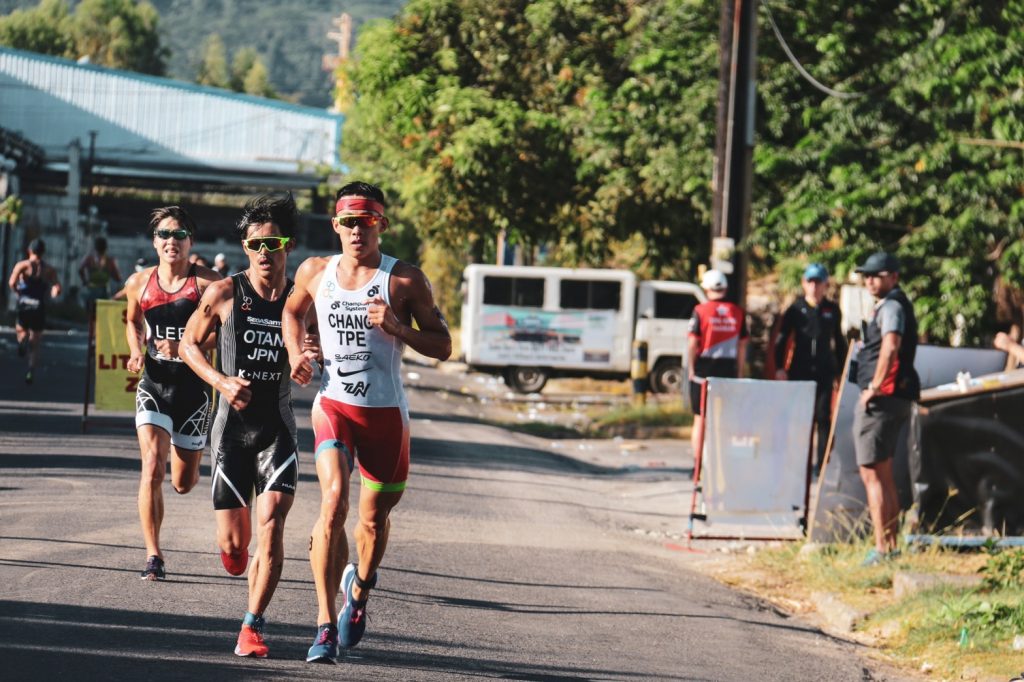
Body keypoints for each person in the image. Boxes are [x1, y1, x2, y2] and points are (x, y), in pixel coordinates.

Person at [282, 181, 452, 663]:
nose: (358, 230)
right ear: (336, 225)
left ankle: (358, 594)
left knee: (373, 523)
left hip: (386, 418)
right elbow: (292, 315)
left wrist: (398, 327)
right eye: (349, 222)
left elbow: (443, 346)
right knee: (332, 504)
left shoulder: (404, 281)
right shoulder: (316, 272)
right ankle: (322, 624)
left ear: (382, 224)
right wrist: (298, 353)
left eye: (367, 221)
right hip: (334, 406)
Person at [180, 194, 310, 657]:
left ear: (287, 246)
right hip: (230, 431)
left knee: (272, 526)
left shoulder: (300, 300)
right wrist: (220, 381)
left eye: (273, 243)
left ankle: (252, 625)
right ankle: (237, 554)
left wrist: (307, 361)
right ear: (245, 247)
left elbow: (317, 348)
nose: (264, 252)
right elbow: (188, 347)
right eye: (255, 244)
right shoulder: (224, 293)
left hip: (278, 431)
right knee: (236, 550)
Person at [124, 207, 221, 580]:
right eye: (164, 235)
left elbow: (224, 333)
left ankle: (193, 471)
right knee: (151, 465)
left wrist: (188, 345)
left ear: (190, 242)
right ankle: (154, 555)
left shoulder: (209, 284)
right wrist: (137, 350)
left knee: (183, 483)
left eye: (179, 235)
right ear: (154, 242)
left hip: (193, 393)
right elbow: (133, 320)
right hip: (154, 385)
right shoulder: (139, 282)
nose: (171, 241)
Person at [852, 251, 920, 567]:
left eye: (876, 275)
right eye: (866, 275)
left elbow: (891, 346)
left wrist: (875, 387)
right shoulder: (892, 304)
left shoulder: (892, 306)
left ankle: (882, 549)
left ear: (893, 277)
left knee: (871, 475)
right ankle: (890, 547)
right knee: (883, 472)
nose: (869, 280)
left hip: (883, 399)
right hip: (896, 398)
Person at [774, 263, 848, 474]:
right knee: (799, 418)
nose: (814, 287)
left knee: (823, 417)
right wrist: (780, 367)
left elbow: (839, 342)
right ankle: (797, 462)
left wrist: (841, 372)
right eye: (810, 282)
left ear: (826, 285)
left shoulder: (832, 310)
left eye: (818, 283)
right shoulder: (795, 309)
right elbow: (781, 339)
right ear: (804, 284)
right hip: (800, 369)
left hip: (824, 369)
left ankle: (822, 465)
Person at [687, 269, 748, 461]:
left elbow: (692, 343)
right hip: (728, 371)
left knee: (700, 420)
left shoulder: (700, 311)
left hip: (702, 371)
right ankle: (721, 465)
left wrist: (690, 368)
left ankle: (697, 468)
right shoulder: (738, 312)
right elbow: (742, 346)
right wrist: (739, 371)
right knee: (725, 422)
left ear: (706, 288)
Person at [7, 238, 61, 384]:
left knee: (21, 330)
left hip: (24, 304)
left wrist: (18, 292)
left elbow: (11, 283)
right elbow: (57, 287)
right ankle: (30, 370)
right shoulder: (49, 269)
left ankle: (22, 341)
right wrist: (54, 294)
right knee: (35, 342)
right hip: (39, 307)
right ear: (43, 252)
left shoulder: (22, 266)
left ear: (29, 250)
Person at [79, 236, 122, 311]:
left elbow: (80, 269)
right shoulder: (110, 261)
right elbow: (118, 278)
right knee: (103, 315)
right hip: (104, 292)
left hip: (91, 291)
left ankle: (91, 322)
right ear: (106, 248)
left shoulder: (89, 258)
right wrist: (109, 273)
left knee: (91, 315)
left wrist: (84, 281)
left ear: (95, 248)